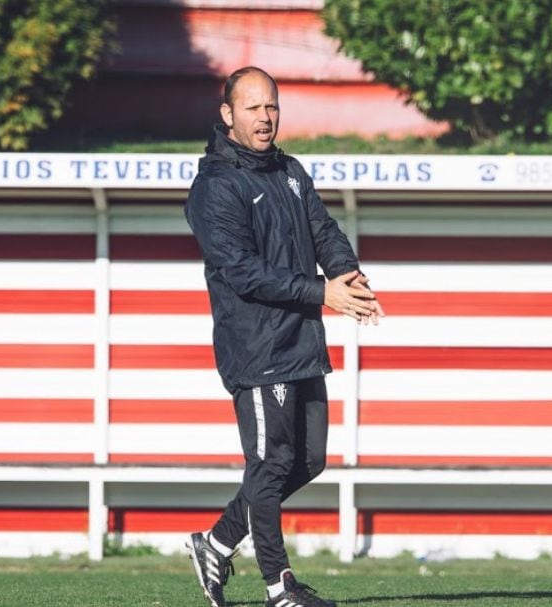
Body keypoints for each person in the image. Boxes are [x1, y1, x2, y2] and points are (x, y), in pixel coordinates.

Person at [184, 66, 384, 607]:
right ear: (228, 115)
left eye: (271, 106)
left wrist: (348, 275)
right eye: (253, 108)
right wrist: (323, 294)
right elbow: (244, 272)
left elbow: (323, 230)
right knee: (268, 466)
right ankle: (280, 587)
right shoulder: (214, 187)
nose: (265, 117)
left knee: (308, 461)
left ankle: (217, 542)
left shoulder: (290, 171)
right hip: (255, 347)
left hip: (301, 342)